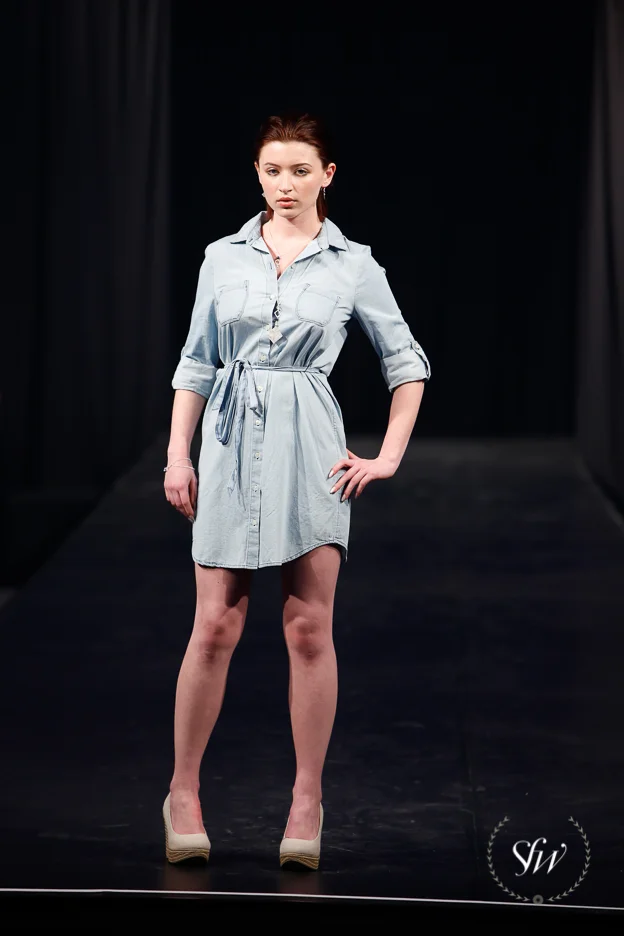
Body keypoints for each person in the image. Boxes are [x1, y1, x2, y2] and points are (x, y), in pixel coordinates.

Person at [162, 112, 432, 868]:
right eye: (272, 170)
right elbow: (196, 362)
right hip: (227, 446)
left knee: (309, 628)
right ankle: (182, 793)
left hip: (311, 446)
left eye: (300, 171)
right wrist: (178, 455)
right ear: (257, 174)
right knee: (214, 626)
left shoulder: (354, 265)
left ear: (327, 176)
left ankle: (307, 800)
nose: (285, 184)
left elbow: (406, 363)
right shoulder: (222, 257)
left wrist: (388, 456)